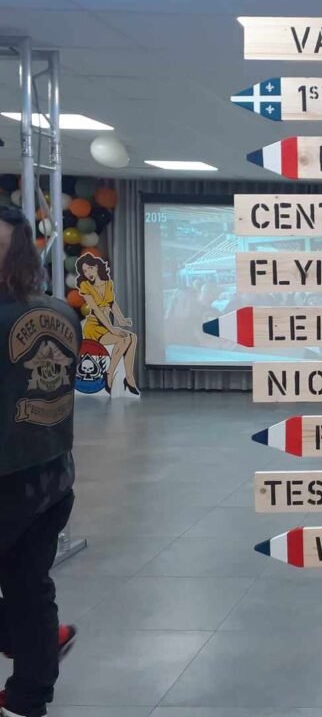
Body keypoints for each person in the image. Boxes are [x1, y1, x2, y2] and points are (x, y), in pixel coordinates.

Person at [0, 206, 79, 717]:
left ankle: (33, 641)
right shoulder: (63, 312)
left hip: (8, 478)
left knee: (28, 591)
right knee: (29, 585)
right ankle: (31, 685)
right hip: (53, 475)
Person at [76, 254, 139, 395]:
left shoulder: (108, 283)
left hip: (106, 325)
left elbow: (111, 304)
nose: (88, 273)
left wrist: (121, 320)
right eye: (84, 271)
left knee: (133, 337)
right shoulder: (85, 286)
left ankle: (129, 377)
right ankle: (109, 373)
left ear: (96, 267)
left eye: (90, 268)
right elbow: (96, 310)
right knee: (124, 339)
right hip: (94, 327)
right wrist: (112, 329)